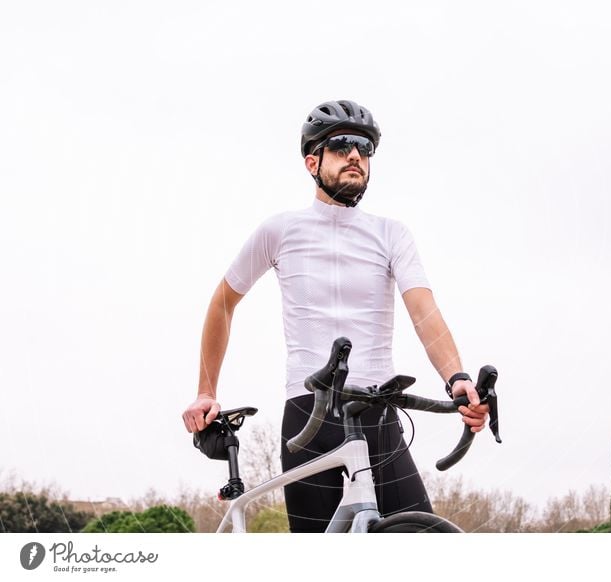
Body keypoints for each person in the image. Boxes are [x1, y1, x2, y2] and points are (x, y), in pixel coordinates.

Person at [182, 99, 489, 532]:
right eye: (342, 145)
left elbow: (424, 310)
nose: (355, 155)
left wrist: (457, 377)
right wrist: (205, 390)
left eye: (365, 148)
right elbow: (223, 303)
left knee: (425, 543)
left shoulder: (391, 234)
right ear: (313, 161)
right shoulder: (280, 231)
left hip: (379, 409)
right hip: (310, 413)